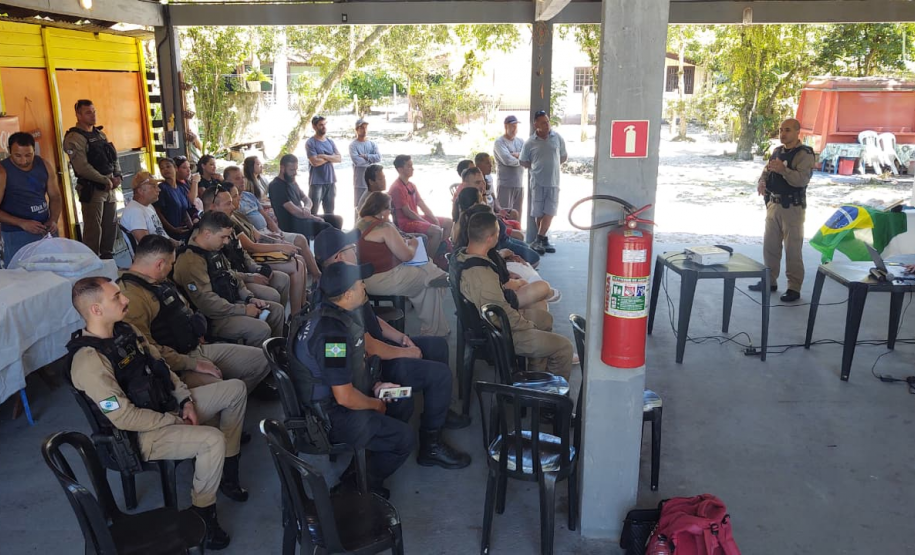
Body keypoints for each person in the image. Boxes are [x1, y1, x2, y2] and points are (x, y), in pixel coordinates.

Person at [67, 276, 247, 550]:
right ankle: (204, 513)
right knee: (212, 439)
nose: (125, 300)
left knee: (234, 390)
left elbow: (160, 366)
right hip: (136, 436)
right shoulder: (89, 363)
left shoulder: (126, 331)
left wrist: (185, 399)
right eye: (116, 297)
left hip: (165, 406)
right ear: (96, 310)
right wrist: (173, 419)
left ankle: (228, 473)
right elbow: (123, 417)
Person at [312, 230, 471, 455]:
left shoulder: (347, 282)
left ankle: (439, 410)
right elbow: (369, 346)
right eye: (350, 248)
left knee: (437, 345)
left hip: (377, 352)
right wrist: (407, 353)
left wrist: (400, 338)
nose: (356, 250)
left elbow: (371, 318)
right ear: (338, 257)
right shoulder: (337, 294)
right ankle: (431, 445)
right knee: (440, 375)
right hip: (372, 365)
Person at [119, 234, 271, 393]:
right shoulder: (131, 298)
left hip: (195, 347)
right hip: (177, 367)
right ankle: (228, 400)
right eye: (171, 263)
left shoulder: (157, 281)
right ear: (160, 264)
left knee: (261, 360)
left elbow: (181, 308)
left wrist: (195, 330)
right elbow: (150, 351)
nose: (172, 267)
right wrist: (193, 364)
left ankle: (240, 398)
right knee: (228, 391)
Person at [454, 211, 573, 379]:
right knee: (564, 347)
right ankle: (549, 401)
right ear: (490, 238)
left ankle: (535, 378)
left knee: (546, 319)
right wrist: (527, 325)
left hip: (492, 323)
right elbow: (499, 316)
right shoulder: (481, 274)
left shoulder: (462, 256)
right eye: (497, 232)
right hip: (500, 334)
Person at [172, 211, 285, 346]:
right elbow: (208, 303)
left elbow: (231, 275)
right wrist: (243, 310)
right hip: (212, 318)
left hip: (228, 303)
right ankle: (260, 363)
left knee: (277, 311)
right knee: (260, 330)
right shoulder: (190, 261)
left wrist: (249, 298)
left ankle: (278, 352)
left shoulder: (213, 248)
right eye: (223, 237)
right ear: (207, 234)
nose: (226, 242)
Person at [356, 192, 450, 337]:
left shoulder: (360, 223)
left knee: (427, 280)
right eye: (389, 209)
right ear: (382, 210)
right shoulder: (384, 227)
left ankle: (435, 327)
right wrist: (412, 244)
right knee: (427, 278)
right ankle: (434, 329)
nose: (391, 212)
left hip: (366, 279)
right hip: (386, 279)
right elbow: (407, 255)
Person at [206, 182, 307, 313]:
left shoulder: (236, 217)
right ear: (214, 206)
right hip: (241, 271)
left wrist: (277, 242)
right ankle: (295, 314)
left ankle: (300, 307)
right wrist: (279, 248)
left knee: (298, 261)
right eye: (233, 199)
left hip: (246, 265)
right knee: (295, 265)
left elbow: (254, 240)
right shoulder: (217, 230)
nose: (239, 199)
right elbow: (250, 248)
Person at [748, 118, 815, 303]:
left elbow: (802, 180)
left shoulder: (804, 154)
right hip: (773, 204)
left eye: (787, 130)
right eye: (780, 130)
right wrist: (762, 181)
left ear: (796, 132)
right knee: (770, 247)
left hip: (792, 208)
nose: (782, 133)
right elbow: (767, 170)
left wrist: (784, 171)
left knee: (793, 249)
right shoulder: (777, 151)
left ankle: (794, 287)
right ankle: (769, 281)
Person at [225, 166, 322, 281]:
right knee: (297, 261)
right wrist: (279, 243)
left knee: (300, 240)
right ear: (227, 182)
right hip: (257, 241)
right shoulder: (231, 209)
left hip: (266, 232)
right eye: (237, 178)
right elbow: (252, 242)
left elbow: (267, 219)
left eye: (242, 177)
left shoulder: (249, 196)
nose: (242, 181)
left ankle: (316, 276)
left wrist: (278, 233)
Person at [454, 201, 557, 308]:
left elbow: (494, 269)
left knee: (541, 304)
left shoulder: (467, 251)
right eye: (497, 232)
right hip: (498, 306)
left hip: (497, 296)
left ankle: (543, 294)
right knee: (541, 287)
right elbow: (496, 286)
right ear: (489, 237)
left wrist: (508, 271)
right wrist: (518, 283)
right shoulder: (478, 265)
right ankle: (546, 293)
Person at [63, 99, 121, 259]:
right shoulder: (74, 138)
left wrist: (117, 176)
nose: (93, 115)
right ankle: (92, 264)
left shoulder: (100, 134)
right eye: (88, 112)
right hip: (93, 189)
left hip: (109, 187)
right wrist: (104, 180)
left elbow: (113, 157)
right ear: (78, 115)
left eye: (94, 111)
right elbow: (82, 167)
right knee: (93, 230)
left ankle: (108, 259)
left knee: (110, 226)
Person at [454, 169, 540, 266]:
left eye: (483, 181)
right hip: (497, 243)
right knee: (534, 258)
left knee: (526, 246)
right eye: (477, 182)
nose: (482, 185)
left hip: (502, 237)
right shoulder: (470, 206)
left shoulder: (481, 197)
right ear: (465, 184)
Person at [0, 132, 61, 267]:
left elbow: (55, 196)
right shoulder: (2, 171)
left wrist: (53, 219)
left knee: (55, 271)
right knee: (23, 279)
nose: (23, 161)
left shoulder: (44, 165)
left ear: (35, 150)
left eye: (28, 155)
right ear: (9, 151)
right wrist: (22, 223)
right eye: (18, 155)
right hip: (17, 234)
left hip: (46, 229)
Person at [520, 110, 567, 255]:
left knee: (550, 211)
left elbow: (563, 157)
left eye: (547, 121)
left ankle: (539, 239)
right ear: (536, 125)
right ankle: (543, 240)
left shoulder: (557, 137)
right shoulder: (529, 142)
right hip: (537, 182)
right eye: (543, 122)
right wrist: (537, 167)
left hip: (553, 181)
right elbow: (523, 160)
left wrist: (551, 166)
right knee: (539, 212)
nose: (547, 125)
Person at [389, 154, 451, 258]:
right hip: (405, 223)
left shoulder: (411, 185)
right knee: (436, 231)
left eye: (412, 165)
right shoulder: (397, 188)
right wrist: (426, 222)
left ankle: (439, 249)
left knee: (448, 222)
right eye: (408, 166)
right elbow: (407, 212)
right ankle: (428, 260)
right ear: (400, 169)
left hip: (416, 219)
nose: (412, 168)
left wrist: (433, 218)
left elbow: (421, 204)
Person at [268, 154, 343, 239]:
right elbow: (294, 211)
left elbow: (307, 199)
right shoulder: (276, 186)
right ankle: (332, 249)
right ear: (282, 168)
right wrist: (313, 217)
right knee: (326, 226)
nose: (295, 173)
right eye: (292, 170)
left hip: (303, 218)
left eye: (296, 169)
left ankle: (339, 248)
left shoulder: (292, 181)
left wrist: (307, 208)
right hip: (292, 224)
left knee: (337, 220)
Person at [305, 116, 341, 216]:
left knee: (330, 212)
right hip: (316, 182)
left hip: (331, 180)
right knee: (313, 212)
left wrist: (324, 156)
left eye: (325, 124)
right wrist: (331, 157)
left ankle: (329, 230)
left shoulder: (330, 142)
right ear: (314, 127)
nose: (324, 127)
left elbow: (339, 158)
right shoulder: (310, 143)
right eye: (321, 125)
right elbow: (314, 162)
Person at [121, 172, 170, 245]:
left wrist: (176, 243)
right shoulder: (135, 212)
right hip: (156, 254)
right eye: (154, 186)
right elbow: (146, 246)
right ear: (141, 191)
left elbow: (162, 234)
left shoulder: (148, 206)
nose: (159, 190)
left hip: (164, 250)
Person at [154, 158, 195, 242]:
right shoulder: (161, 188)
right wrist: (173, 229)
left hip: (185, 232)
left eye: (168, 166)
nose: (165, 169)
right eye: (162, 168)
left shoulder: (181, 188)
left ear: (175, 168)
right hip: (171, 236)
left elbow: (185, 211)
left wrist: (193, 229)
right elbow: (158, 212)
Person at [494, 114, 525, 215]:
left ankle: (517, 231)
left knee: (517, 215)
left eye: (515, 126)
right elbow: (507, 160)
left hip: (519, 184)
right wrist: (522, 160)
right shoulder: (499, 142)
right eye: (511, 126)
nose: (514, 129)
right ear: (505, 126)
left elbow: (529, 157)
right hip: (505, 184)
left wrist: (516, 155)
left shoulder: (521, 141)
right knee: (505, 215)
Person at [474, 152, 519, 222]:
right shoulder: (475, 181)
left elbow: (494, 197)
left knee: (514, 213)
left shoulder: (489, 177)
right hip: (486, 214)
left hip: (493, 209)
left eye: (491, 163)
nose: (491, 165)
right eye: (487, 163)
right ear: (478, 165)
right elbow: (482, 206)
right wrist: (495, 214)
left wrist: (499, 208)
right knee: (512, 227)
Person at [349, 118, 381, 206]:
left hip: (372, 183)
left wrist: (366, 156)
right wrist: (371, 160)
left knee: (373, 207)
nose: (364, 130)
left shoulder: (372, 144)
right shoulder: (353, 145)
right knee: (359, 207)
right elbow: (358, 162)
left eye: (366, 128)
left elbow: (378, 158)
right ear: (356, 130)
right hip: (360, 182)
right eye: (362, 128)